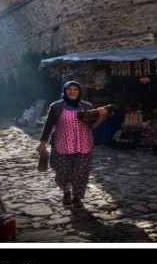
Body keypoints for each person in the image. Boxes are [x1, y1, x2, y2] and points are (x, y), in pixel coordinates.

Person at [38, 81, 107, 209]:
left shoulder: (87, 106)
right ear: (65, 91)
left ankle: (77, 197)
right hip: (62, 145)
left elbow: (92, 126)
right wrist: (43, 143)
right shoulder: (57, 106)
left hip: (83, 144)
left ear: (79, 91)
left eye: (76, 89)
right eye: (70, 89)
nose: (72, 91)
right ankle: (66, 192)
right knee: (62, 172)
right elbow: (48, 126)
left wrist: (101, 117)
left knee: (81, 172)